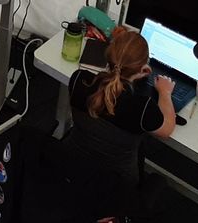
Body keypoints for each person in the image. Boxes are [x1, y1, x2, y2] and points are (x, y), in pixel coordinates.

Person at [67, 27, 176, 185]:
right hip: (116, 186)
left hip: (72, 164)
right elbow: (167, 129)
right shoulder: (142, 108)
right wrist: (165, 93)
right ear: (141, 68)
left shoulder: (79, 80)